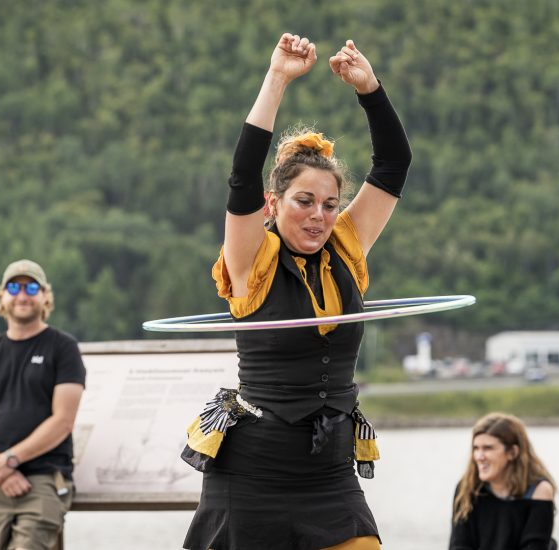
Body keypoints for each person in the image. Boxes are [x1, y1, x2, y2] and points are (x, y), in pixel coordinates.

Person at [180, 32, 411, 550]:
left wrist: (370, 89)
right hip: (253, 471)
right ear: (273, 204)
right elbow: (242, 175)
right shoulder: (251, 260)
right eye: (304, 201)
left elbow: (394, 164)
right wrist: (277, 77)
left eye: (329, 205)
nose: (319, 216)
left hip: (328, 471)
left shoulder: (346, 246)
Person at [0, 259, 86, 550]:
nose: (22, 295)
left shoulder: (63, 348)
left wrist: (11, 460)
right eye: (14, 288)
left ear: (45, 296)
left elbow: (63, 421)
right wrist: (1, 469)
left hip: (44, 479)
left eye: (31, 288)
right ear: (1, 296)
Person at [449, 412, 556, 550]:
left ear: (512, 452)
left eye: (488, 448)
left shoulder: (538, 491)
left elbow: (534, 546)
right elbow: (459, 545)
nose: (479, 457)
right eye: (476, 448)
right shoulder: (466, 488)